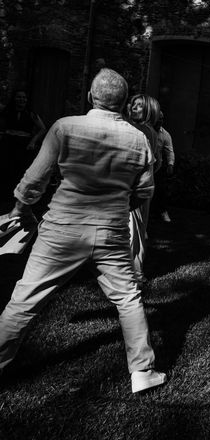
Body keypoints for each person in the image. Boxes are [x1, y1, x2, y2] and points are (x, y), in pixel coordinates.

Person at [0, 68, 166, 393]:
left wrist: (19, 211)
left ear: (91, 96)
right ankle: (143, 371)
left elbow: (35, 178)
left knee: (24, 299)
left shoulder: (65, 126)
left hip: (62, 228)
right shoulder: (139, 139)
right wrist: (119, 206)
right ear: (122, 102)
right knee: (128, 298)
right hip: (112, 231)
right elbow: (145, 192)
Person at [126, 94, 162, 282]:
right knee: (133, 229)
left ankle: (136, 274)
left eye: (139, 106)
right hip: (135, 186)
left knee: (135, 231)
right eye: (133, 104)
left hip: (138, 188)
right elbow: (157, 163)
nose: (134, 107)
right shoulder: (145, 130)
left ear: (148, 110)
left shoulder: (144, 131)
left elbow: (152, 163)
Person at [0, 90, 46, 204]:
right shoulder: (7, 111)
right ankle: (5, 196)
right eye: (19, 97)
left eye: (24, 98)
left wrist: (33, 141)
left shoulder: (30, 113)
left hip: (23, 145)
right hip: (8, 142)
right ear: (14, 99)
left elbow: (42, 128)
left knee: (20, 170)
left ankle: (19, 197)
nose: (21, 100)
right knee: (6, 168)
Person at [152, 113, 175, 223]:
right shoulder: (146, 130)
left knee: (160, 190)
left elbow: (169, 151)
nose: (160, 121)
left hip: (157, 167)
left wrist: (170, 164)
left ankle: (162, 211)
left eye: (162, 118)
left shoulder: (165, 134)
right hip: (144, 165)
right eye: (158, 118)